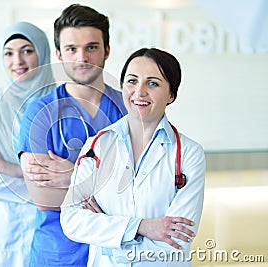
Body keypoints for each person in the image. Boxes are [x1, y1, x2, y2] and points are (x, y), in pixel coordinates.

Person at [60, 47, 206, 266]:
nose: (139, 92)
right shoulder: (96, 146)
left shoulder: (188, 154)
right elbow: (71, 221)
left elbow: (176, 241)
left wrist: (108, 237)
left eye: (153, 83)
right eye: (132, 81)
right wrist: (142, 227)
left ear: (171, 95)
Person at [19, 4, 127, 266]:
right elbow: (44, 198)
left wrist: (73, 175)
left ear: (107, 50)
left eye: (91, 47)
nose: (82, 57)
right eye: (71, 49)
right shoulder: (40, 113)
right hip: (59, 255)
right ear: (58, 53)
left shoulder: (129, 109)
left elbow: (143, 191)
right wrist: (105, 185)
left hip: (116, 253)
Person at [0, 21, 55, 267]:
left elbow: (78, 175)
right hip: (6, 232)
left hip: (56, 233)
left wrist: (14, 169)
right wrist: (51, 189)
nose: (17, 60)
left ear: (43, 53)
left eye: (27, 50)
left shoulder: (63, 105)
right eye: (9, 53)